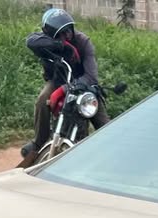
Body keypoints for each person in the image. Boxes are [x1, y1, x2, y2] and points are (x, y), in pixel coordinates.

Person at [20, 8, 110, 165]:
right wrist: (61, 45)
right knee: (42, 100)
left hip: (84, 84)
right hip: (58, 80)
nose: (67, 34)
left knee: (102, 121)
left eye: (69, 30)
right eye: (62, 32)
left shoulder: (83, 42)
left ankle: (111, 151)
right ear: (50, 33)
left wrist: (64, 90)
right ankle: (39, 141)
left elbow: (91, 76)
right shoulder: (44, 41)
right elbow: (30, 41)